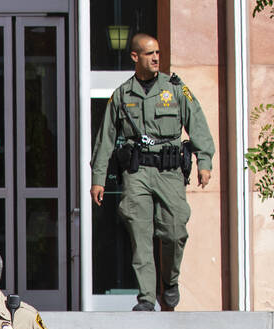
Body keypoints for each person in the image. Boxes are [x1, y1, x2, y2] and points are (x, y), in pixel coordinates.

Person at [89, 32, 214, 311]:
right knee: (140, 233)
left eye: (157, 52)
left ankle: (169, 282)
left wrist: (204, 162)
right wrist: (98, 179)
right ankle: (146, 297)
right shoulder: (122, 95)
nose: (156, 58)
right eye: (149, 53)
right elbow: (104, 140)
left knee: (174, 231)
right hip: (137, 172)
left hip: (169, 171)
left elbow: (198, 125)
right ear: (135, 57)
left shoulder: (176, 89)